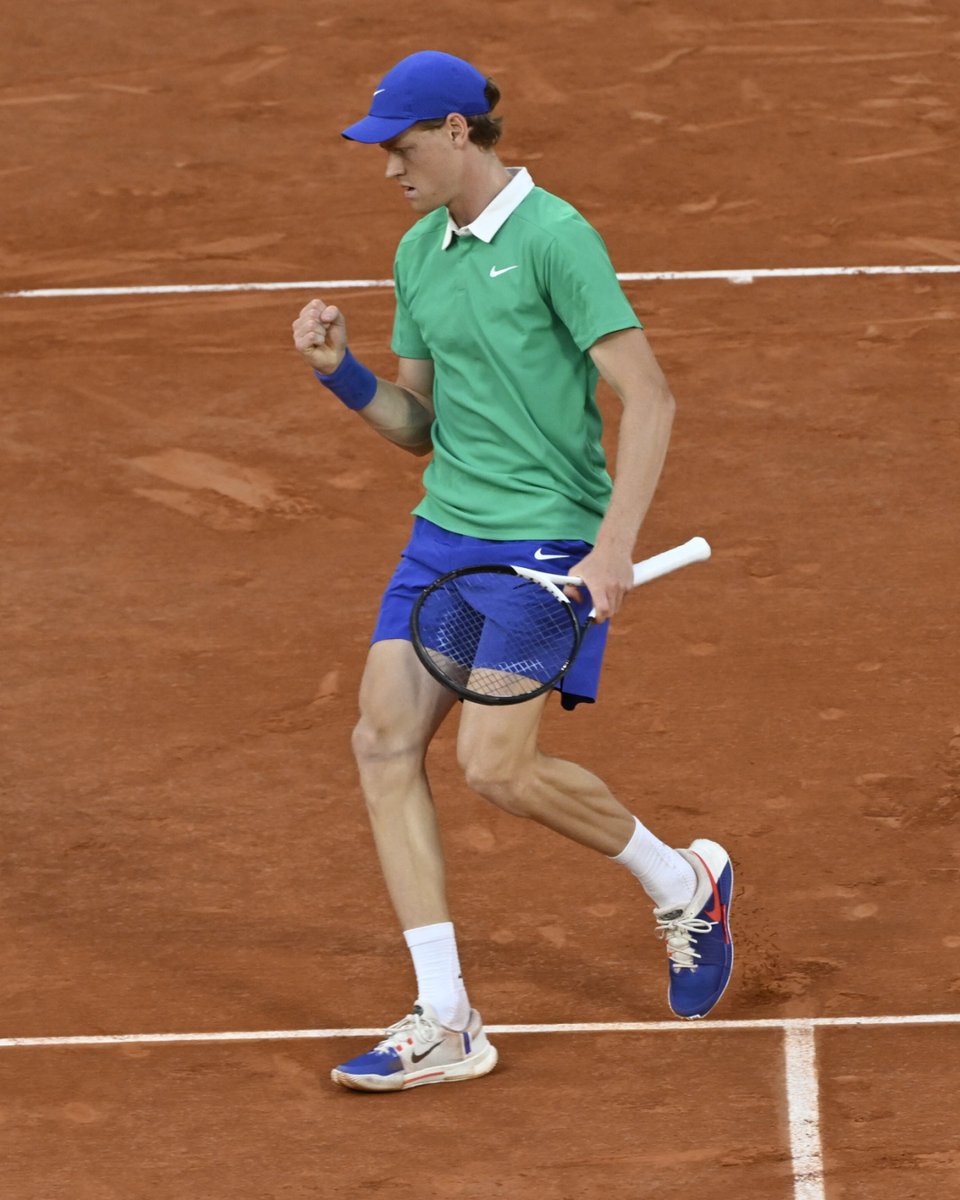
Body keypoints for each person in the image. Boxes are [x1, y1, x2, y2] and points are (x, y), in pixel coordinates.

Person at [292, 51, 733, 1093]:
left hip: (546, 546)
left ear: (456, 131)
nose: (389, 169)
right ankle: (445, 1019)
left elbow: (651, 399)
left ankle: (682, 882)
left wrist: (613, 543)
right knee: (381, 741)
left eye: (400, 149)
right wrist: (340, 376)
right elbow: (421, 428)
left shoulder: (555, 238)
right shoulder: (416, 254)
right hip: (444, 538)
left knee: (496, 767)